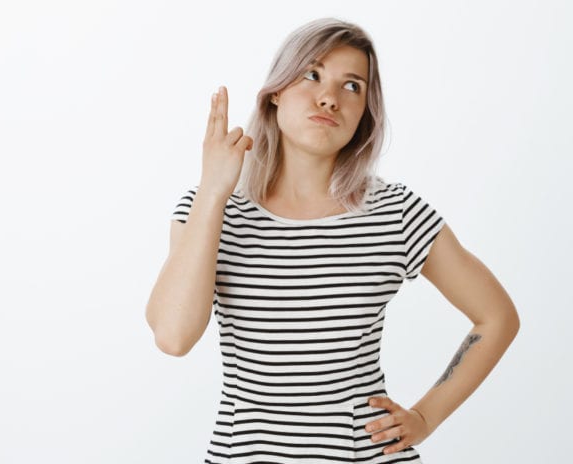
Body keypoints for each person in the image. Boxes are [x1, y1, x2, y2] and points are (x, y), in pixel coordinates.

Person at [145, 17, 519, 463]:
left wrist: (425, 416)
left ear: (365, 112)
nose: (329, 97)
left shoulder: (395, 212)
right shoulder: (209, 208)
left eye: (352, 86)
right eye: (312, 74)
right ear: (276, 92)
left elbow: (497, 317)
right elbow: (173, 336)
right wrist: (212, 192)